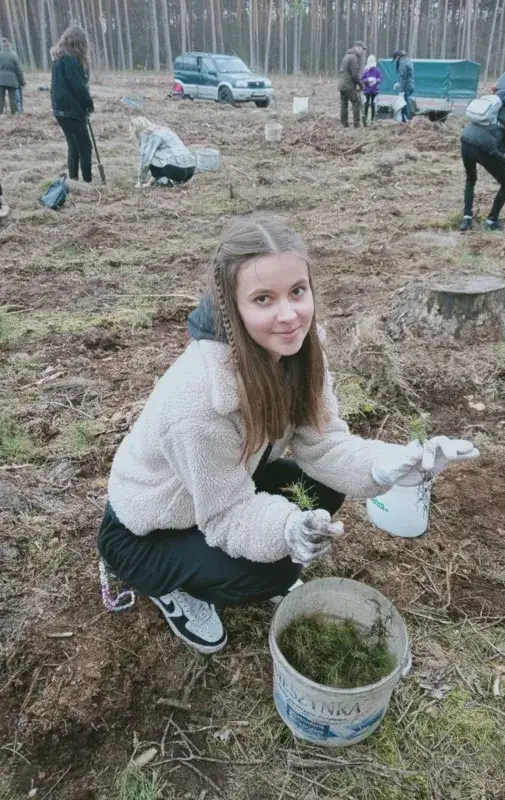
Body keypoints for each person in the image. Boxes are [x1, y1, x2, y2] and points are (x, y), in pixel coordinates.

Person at [97, 214, 479, 653]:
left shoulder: (297, 349)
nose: (288, 315)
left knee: (319, 490)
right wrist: (285, 531)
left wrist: (391, 465)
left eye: (297, 291)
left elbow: (324, 444)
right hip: (146, 529)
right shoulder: (200, 401)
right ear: (231, 308)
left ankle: (227, 560)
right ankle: (171, 587)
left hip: (220, 488)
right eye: (263, 299)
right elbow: (225, 515)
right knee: (272, 572)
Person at [459, 90, 505, 232]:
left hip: (466, 140)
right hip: (484, 148)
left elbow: (495, 133)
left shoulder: (493, 105)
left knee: (470, 179)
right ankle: (491, 221)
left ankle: (466, 219)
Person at [51, 26, 95, 183]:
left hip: (61, 110)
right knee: (85, 147)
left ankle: (74, 181)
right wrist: (88, 103)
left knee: (74, 146)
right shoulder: (70, 59)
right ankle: (87, 183)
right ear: (80, 42)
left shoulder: (59, 58)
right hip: (71, 111)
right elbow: (78, 86)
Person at [130, 116, 196, 188]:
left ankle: (173, 179)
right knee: (158, 156)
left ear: (136, 128)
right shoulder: (165, 130)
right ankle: (155, 182)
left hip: (177, 171)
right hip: (191, 169)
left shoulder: (147, 134)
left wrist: (140, 182)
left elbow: (145, 159)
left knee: (149, 157)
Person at [338, 41, 366, 128]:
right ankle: (357, 124)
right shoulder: (354, 58)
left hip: (341, 85)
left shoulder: (346, 56)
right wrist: (361, 85)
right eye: (362, 49)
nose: (362, 52)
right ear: (357, 47)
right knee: (356, 102)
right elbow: (355, 75)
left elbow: (342, 71)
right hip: (349, 85)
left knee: (344, 104)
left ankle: (344, 123)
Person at [0, 37, 25, 116]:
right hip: (12, 80)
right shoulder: (14, 55)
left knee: (1, 98)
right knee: (13, 99)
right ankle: (14, 114)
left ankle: (0, 113)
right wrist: (22, 81)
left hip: (0, 80)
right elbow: (18, 70)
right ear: (9, 46)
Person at [393, 50, 415, 123]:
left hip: (406, 86)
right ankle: (405, 119)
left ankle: (406, 119)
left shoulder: (403, 63)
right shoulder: (408, 61)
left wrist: (401, 89)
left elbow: (403, 76)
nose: (395, 61)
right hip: (410, 85)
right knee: (406, 101)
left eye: (395, 59)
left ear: (398, 57)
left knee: (404, 102)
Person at [361, 55, 383, 126]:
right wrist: (367, 80)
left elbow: (380, 78)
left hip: (374, 90)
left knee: (373, 104)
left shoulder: (377, 70)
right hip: (367, 90)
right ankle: (366, 119)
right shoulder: (365, 70)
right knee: (366, 104)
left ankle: (372, 119)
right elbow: (362, 79)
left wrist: (376, 80)